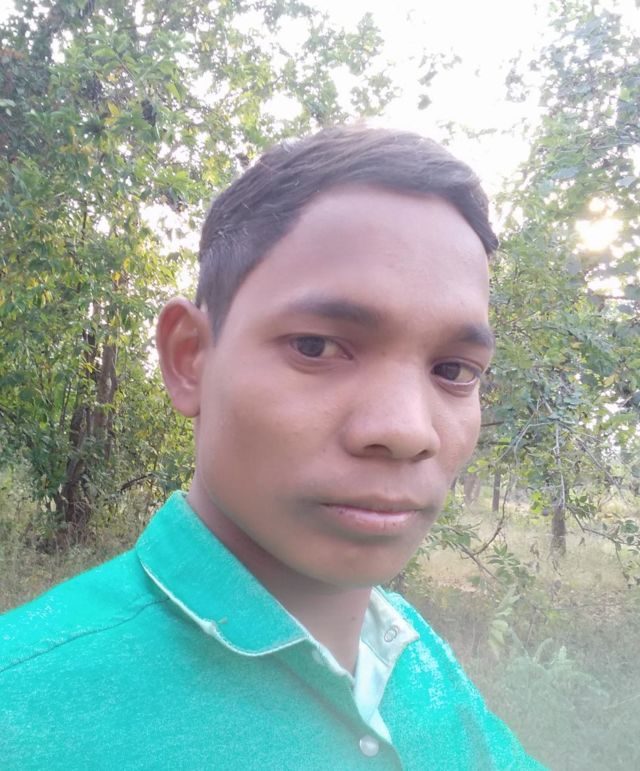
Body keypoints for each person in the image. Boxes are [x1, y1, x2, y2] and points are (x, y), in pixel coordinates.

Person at [0, 126, 545, 770]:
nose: (407, 431)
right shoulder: (24, 711)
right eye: (317, 347)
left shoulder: (414, 656)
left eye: (453, 371)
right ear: (190, 358)